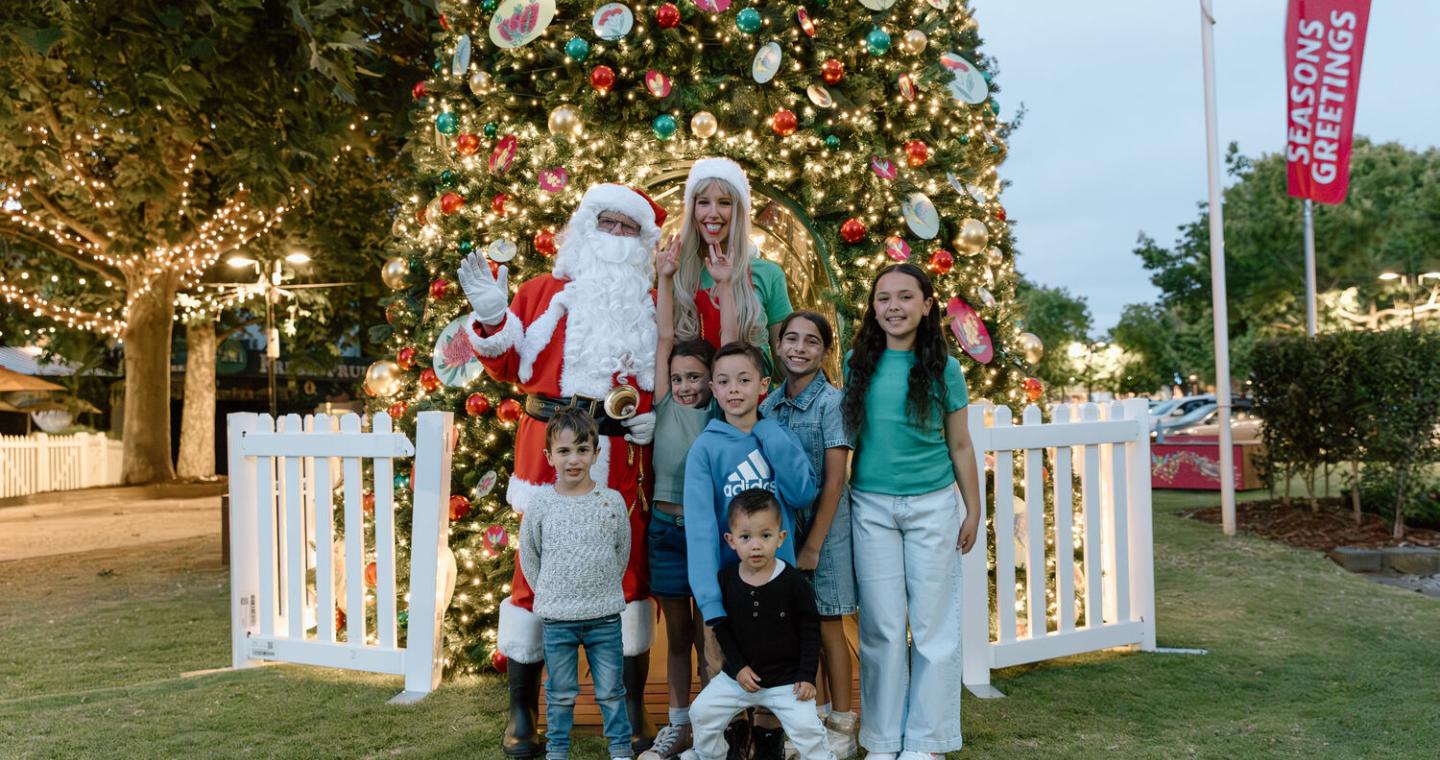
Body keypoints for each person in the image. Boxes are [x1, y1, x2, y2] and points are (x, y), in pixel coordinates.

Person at [459, 183, 667, 757]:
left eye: (629, 227)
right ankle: (522, 710)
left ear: (643, 241)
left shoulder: (652, 302)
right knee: (535, 570)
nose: (617, 236)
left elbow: (671, 372)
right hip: (549, 448)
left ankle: (630, 705)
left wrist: (651, 414)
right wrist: (492, 316)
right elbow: (507, 368)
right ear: (584, 228)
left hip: (623, 455)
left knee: (628, 571)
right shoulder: (541, 292)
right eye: (608, 222)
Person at [841, 263, 983, 760]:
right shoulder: (857, 363)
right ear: (873, 307)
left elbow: (960, 444)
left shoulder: (945, 368)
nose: (893, 307)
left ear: (926, 305)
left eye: (905, 297)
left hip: (932, 506)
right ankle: (882, 740)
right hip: (871, 507)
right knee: (881, 627)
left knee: (932, 627)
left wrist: (973, 509)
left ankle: (927, 741)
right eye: (883, 298)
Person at [683, 341, 816, 759]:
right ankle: (732, 741)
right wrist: (709, 601)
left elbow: (802, 493)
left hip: (777, 583)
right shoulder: (705, 449)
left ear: (763, 385)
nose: (734, 389)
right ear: (713, 389)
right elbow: (701, 531)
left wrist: (769, 434)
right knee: (725, 667)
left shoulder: (777, 436)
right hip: (729, 589)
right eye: (723, 382)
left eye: (744, 380)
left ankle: (769, 740)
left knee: (776, 667)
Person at [638, 237, 738, 760]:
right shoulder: (664, 404)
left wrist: (724, 285)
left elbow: (732, 341)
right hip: (665, 532)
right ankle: (678, 724)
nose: (684, 386)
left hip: (708, 533)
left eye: (696, 377)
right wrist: (664, 276)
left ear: (714, 381)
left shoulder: (720, 412)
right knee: (677, 636)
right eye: (678, 378)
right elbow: (663, 339)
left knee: (711, 637)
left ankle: (713, 727)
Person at [758, 311, 857, 759]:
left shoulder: (831, 403)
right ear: (778, 346)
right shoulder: (769, 406)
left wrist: (814, 545)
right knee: (798, 629)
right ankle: (811, 720)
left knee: (828, 623)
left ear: (825, 351)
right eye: (792, 339)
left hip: (825, 532)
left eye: (811, 341)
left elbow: (834, 481)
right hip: (782, 532)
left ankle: (842, 723)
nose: (799, 348)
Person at [677, 489, 836, 760]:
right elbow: (723, 630)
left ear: (780, 538)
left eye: (765, 535)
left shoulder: (793, 582)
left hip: (787, 682)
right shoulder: (727, 580)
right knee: (702, 711)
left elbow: (810, 631)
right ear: (730, 541)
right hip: (738, 679)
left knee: (807, 729)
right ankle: (709, 754)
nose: (756, 545)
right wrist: (739, 668)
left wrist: (806, 675)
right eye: (745, 537)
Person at [519, 409, 634, 760]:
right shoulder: (541, 504)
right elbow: (530, 556)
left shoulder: (611, 501)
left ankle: (620, 749)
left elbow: (621, 551)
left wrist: (602, 586)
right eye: (564, 451)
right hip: (558, 619)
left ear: (595, 454)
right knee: (561, 691)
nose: (574, 459)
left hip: (604, 616)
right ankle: (557, 750)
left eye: (582, 450)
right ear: (549, 456)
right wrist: (551, 592)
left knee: (611, 691)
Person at [668, 158, 792, 365]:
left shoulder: (769, 274)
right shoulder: (676, 273)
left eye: (724, 203)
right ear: (692, 210)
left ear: (738, 211)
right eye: (704, 202)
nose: (713, 213)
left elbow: (786, 362)